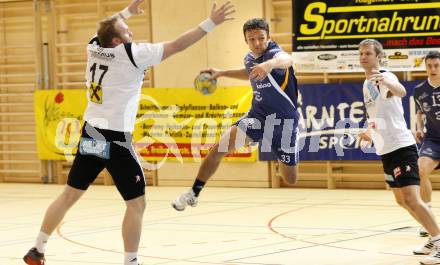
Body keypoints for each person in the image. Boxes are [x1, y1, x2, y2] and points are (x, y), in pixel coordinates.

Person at [23, 1, 235, 265]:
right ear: (116, 41)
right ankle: (131, 262)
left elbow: (104, 26)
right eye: (126, 30)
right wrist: (211, 22)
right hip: (115, 140)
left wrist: (126, 13)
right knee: (136, 205)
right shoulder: (131, 53)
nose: (131, 33)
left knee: (68, 195)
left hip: (91, 135)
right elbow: (178, 45)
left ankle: (37, 249)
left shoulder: (94, 46)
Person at [171, 18, 300, 211]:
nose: (257, 43)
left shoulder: (274, 54)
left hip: (284, 124)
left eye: (261, 38)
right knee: (218, 149)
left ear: (269, 36)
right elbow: (247, 71)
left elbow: (287, 59)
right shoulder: (249, 58)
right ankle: (193, 193)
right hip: (258, 118)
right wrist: (222, 73)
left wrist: (269, 65)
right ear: (246, 40)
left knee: (290, 179)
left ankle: (277, 148)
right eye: (252, 39)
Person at [357, 39, 440, 265]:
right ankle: (434, 239)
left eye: (368, 54)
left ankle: (439, 241)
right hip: (386, 149)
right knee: (402, 201)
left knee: (412, 199)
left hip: (402, 147)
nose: (363, 57)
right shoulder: (366, 85)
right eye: (361, 53)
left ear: (378, 56)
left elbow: (401, 91)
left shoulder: (385, 75)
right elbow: (376, 117)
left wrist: (385, 80)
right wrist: (368, 133)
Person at [414, 51, 440, 237]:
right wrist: (418, 127)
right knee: (420, 170)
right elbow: (419, 112)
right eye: (429, 66)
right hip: (433, 139)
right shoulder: (419, 90)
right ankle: (427, 217)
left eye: (436, 66)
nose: (433, 69)